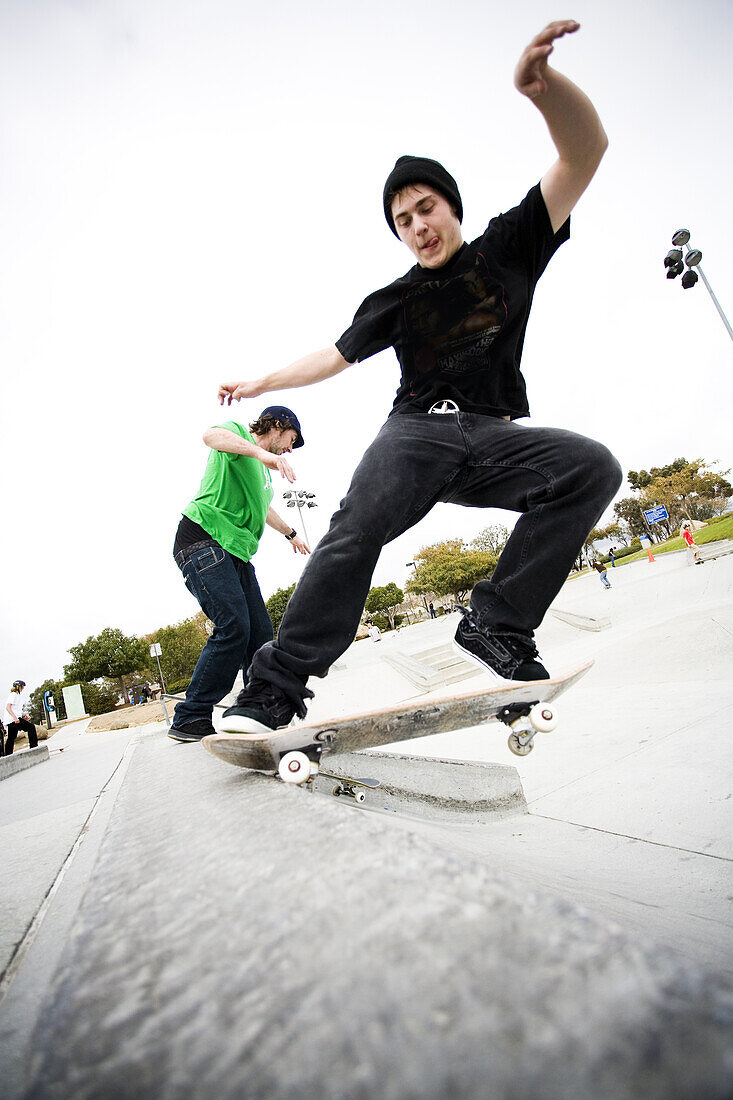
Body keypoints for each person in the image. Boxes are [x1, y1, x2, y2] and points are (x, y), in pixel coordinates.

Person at [217, 20, 622, 735]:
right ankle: (273, 685)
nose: (417, 227)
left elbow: (583, 152)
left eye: (425, 209)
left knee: (589, 468)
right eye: (403, 220)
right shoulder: (397, 298)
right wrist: (260, 382)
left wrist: (542, 87)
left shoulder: (508, 246)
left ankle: (497, 624)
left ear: (450, 206)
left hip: (493, 436)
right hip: (415, 432)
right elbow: (334, 355)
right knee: (354, 530)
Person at [168, 406, 309, 741]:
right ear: (278, 426)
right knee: (234, 625)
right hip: (204, 539)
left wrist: (290, 533)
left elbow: (264, 508)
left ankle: (253, 710)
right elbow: (210, 436)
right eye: (291, 440)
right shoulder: (237, 437)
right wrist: (262, 453)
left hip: (236, 553)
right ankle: (190, 716)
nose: (289, 449)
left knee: (260, 635)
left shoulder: (261, 473)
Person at [4, 680, 39, 754]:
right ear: (18, 687)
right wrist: (15, 718)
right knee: (31, 727)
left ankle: (7, 754)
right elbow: (8, 707)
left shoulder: (17, 695)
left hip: (11, 720)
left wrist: (25, 714)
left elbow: (16, 710)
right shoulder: (13, 694)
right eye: (22, 687)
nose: (23, 688)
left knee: (11, 737)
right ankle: (34, 747)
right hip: (13, 720)